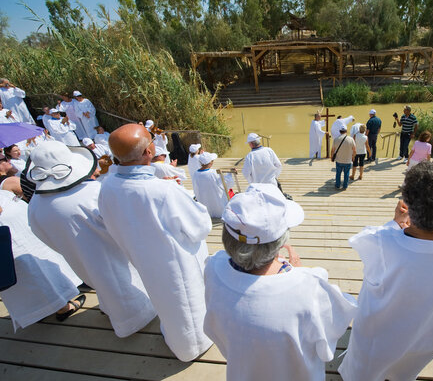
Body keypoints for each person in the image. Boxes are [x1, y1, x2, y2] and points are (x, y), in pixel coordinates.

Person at [339, 162, 433, 381]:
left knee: (365, 370)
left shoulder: (383, 242)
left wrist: (396, 223)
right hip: (428, 335)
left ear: (409, 205)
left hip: (378, 336)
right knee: (406, 368)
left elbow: (359, 240)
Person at [204, 183, 357, 381]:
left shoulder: (213, 267)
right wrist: (297, 272)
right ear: (280, 242)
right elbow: (332, 329)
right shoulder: (308, 287)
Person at [98, 123, 213, 361]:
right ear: (148, 152)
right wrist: (189, 199)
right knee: (186, 302)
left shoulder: (107, 185)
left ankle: (176, 334)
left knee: (162, 297)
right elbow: (200, 225)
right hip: (174, 262)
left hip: (141, 256)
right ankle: (193, 346)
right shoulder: (162, 191)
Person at [27, 141, 156, 337]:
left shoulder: (35, 205)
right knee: (124, 285)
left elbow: (42, 236)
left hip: (76, 257)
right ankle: (134, 320)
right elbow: (125, 223)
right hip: (112, 252)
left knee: (100, 283)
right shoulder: (93, 192)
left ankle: (112, 310)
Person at [0, 190, 85, 329]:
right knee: (32, 267)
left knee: (26, 270)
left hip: (12, 228)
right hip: (10, 230)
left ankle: (41, 306)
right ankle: (62, 306)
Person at [191, 151, 234, 218]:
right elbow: (226, 183)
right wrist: (230, 174)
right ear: (210, 162)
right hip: (219, 207)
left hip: (204, 205)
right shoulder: (214, 173)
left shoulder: (195, 174)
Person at [331, 125, 356, 190]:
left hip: (339, 160)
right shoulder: (351, 139)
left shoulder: (336, 139)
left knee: (338, 173)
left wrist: (331, 157)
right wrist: (353, 157)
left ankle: (337, 185)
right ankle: (345, 186)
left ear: (340, 131)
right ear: (346, 131)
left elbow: (333, 150)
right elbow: (354, 150)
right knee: (346, 174)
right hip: (348, 160)